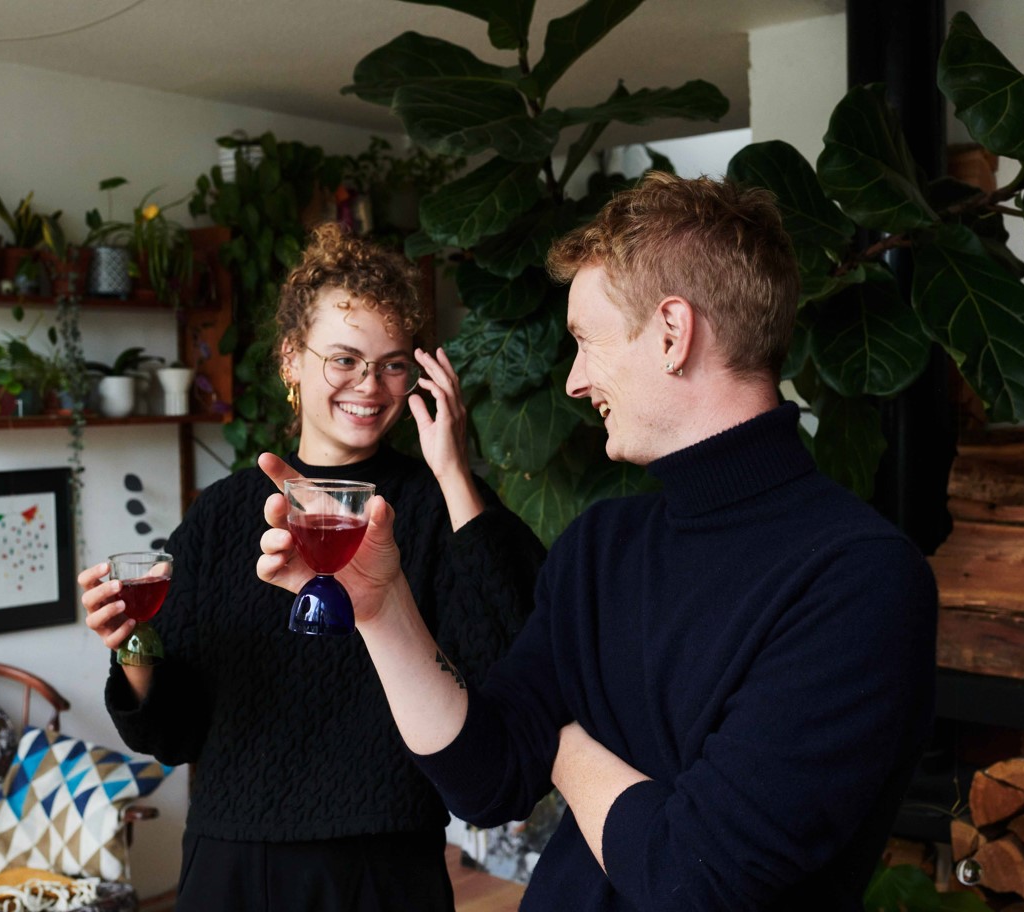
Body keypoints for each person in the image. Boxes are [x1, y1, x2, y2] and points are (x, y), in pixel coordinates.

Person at [257, 173, 939, 910]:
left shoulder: (858, 578)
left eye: (586, 340)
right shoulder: (600, 548)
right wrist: (380, 608)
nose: (576, 381)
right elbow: (487, 781)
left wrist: (566, 743)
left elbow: (693, 877)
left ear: (672, 334)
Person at [79, 222, 545, 911]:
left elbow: (513, 654)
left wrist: (451, 470)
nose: (370, 385)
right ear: (291, 359)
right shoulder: (225, 514)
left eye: (391, 364)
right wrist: (131, 645)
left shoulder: (431, 504)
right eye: (345, 359)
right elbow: (169, 733)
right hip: (231, 862)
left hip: (386, 865)